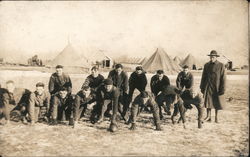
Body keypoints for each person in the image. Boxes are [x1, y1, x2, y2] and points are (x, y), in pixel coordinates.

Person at [200, 50, 226, 123]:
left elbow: (223, 78)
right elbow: (203, 77)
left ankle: (216, 117)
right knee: (208, 101)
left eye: (213, 57)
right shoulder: (206, 65)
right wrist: (202, 87)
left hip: (217, 87)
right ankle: (208, 117)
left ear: (216, 57)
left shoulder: (221, 65)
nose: (212, 58)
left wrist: (222, 88)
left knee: (216, 102)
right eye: (211, 57)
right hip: (208, 86)